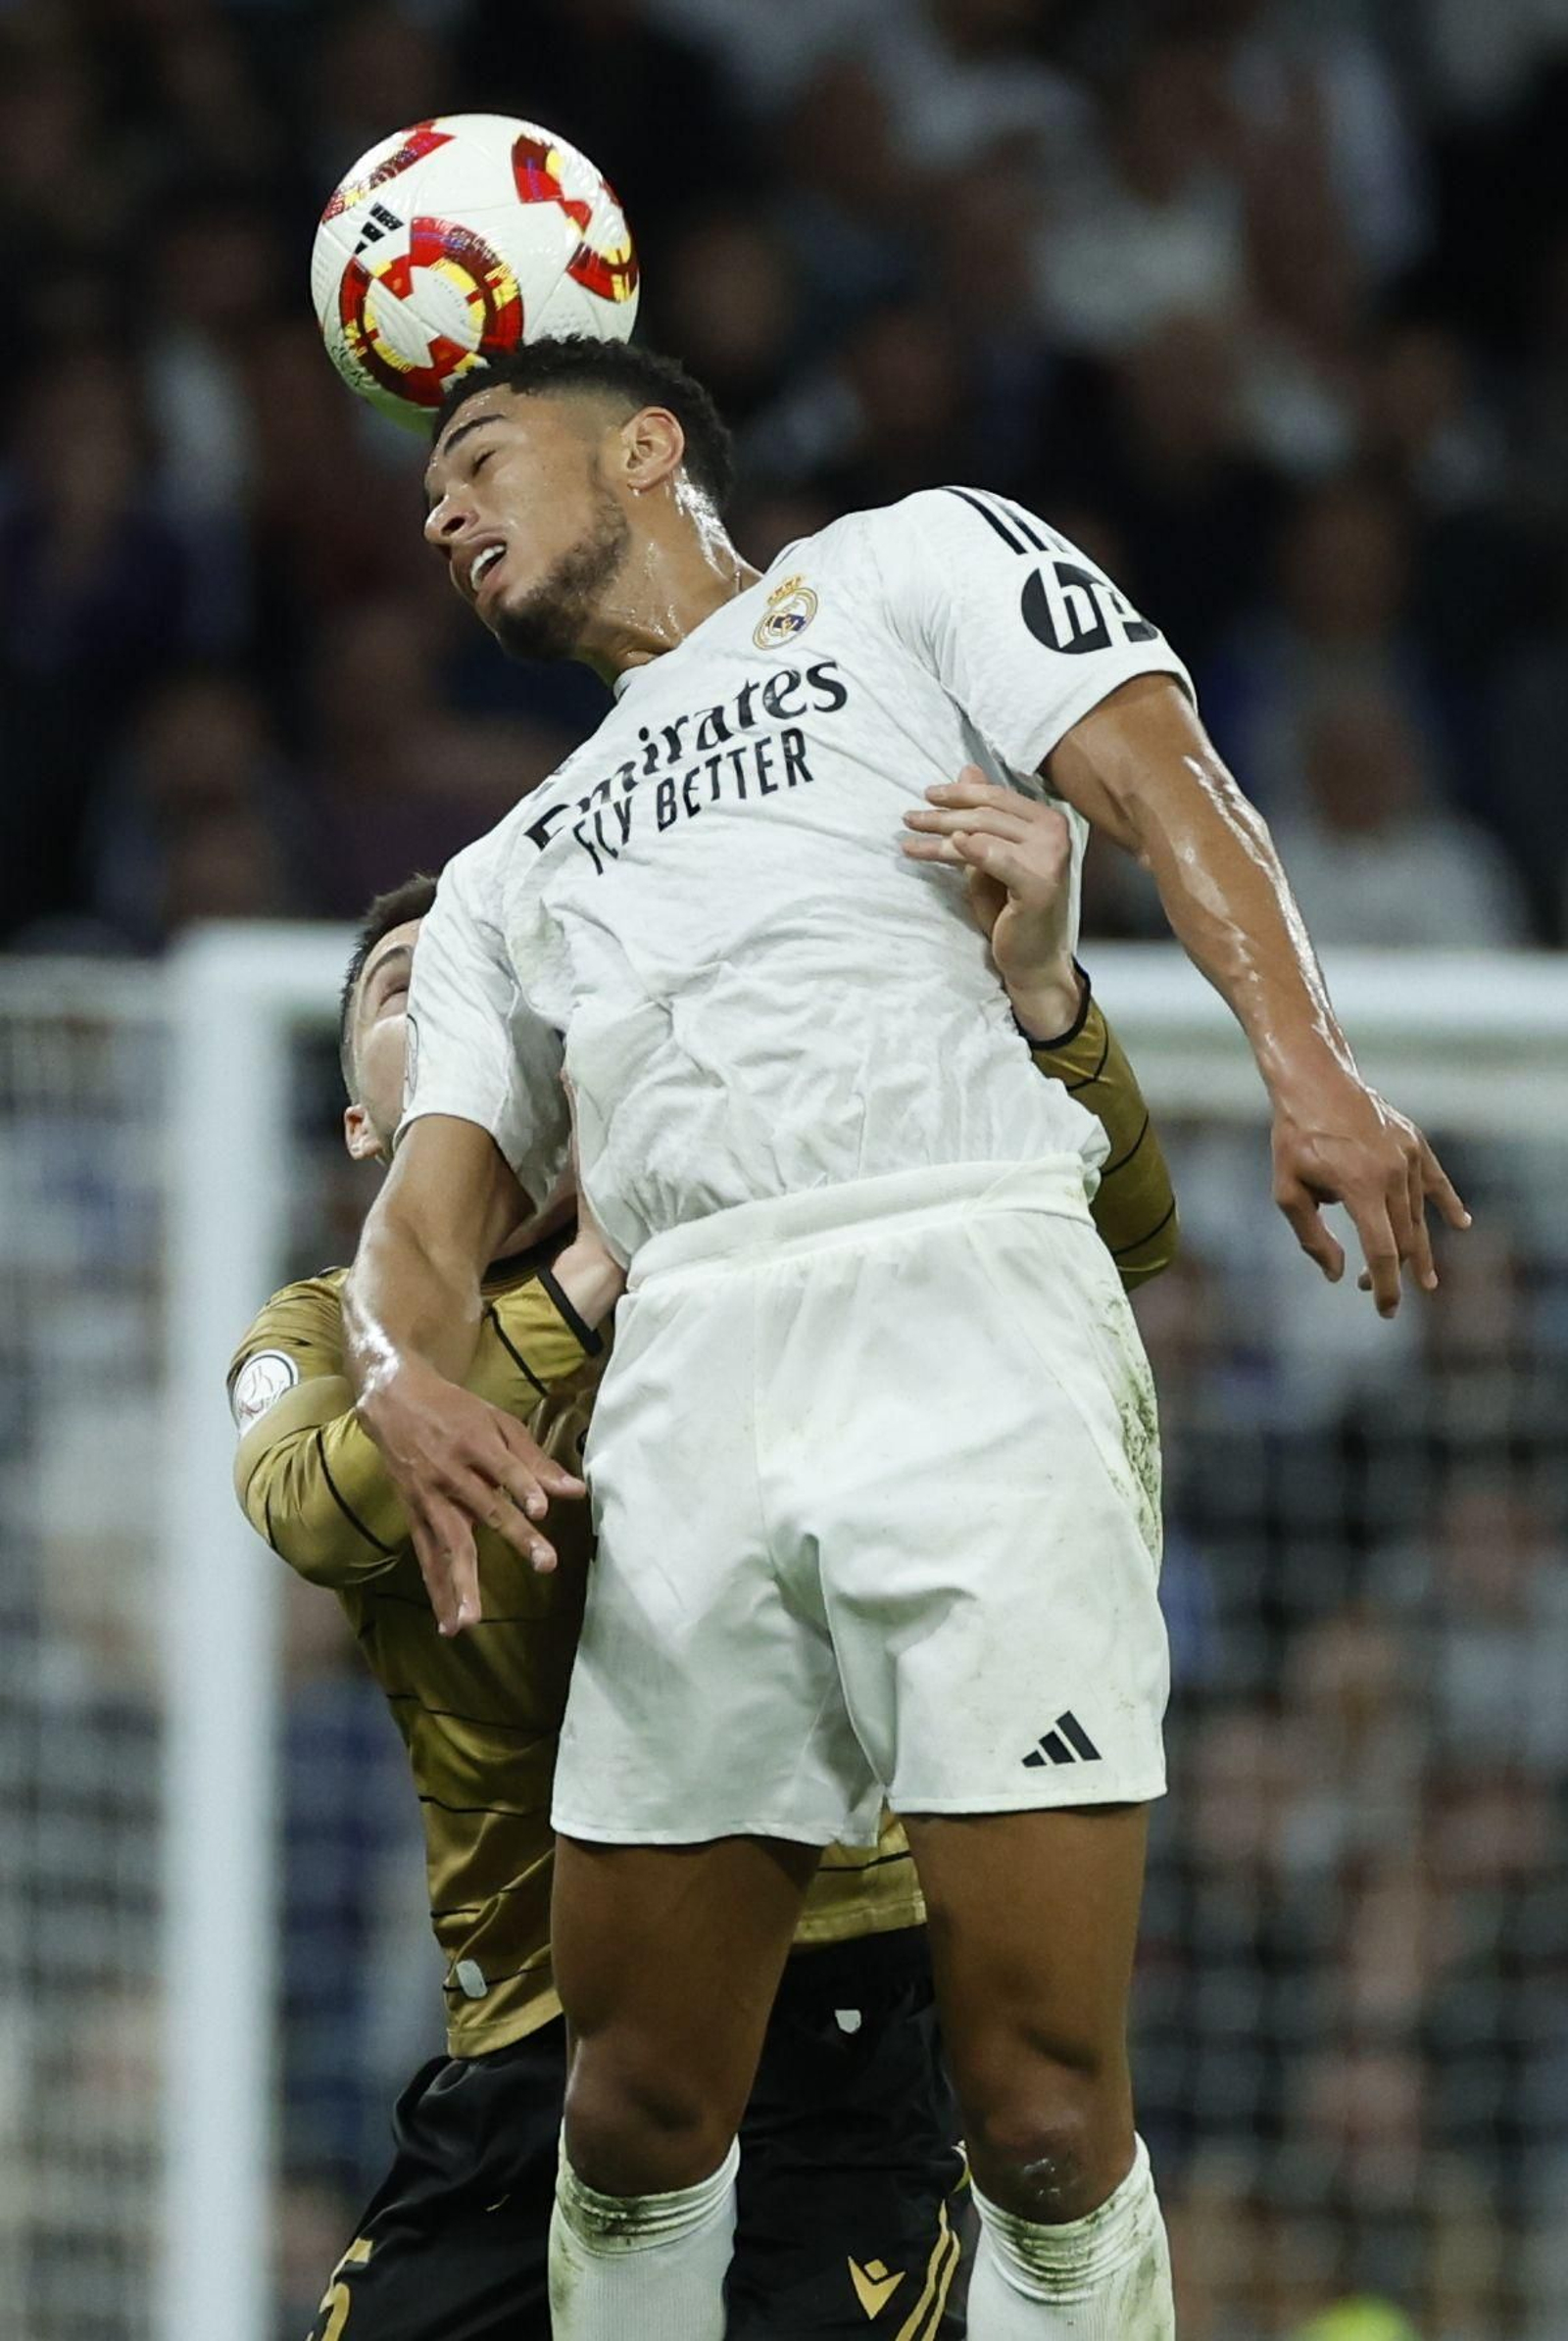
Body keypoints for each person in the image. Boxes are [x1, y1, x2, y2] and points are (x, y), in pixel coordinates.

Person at [340, 337, 1466, 2340]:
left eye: (479, 452)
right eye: (432, 486)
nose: (440, 509)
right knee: (637, 2107)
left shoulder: (906, 565)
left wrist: (1307, 1065)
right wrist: (392, 1371)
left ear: (651, 443)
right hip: (691, 1365)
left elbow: (1153, 770)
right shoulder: (513, 866)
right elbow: (422, 1219)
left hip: (967, 1299)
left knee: (1036, 2108)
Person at [231, 823, 1176, 2339]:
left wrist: (1049, 997)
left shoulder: (755, 1244)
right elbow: (318, 1506)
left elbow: (1121, 1231)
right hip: (527, 2047)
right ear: (362, 1118)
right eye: (416, 989)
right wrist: (586, 1280)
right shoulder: (321, 1331)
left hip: (827, 2001)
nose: (470, 1007)